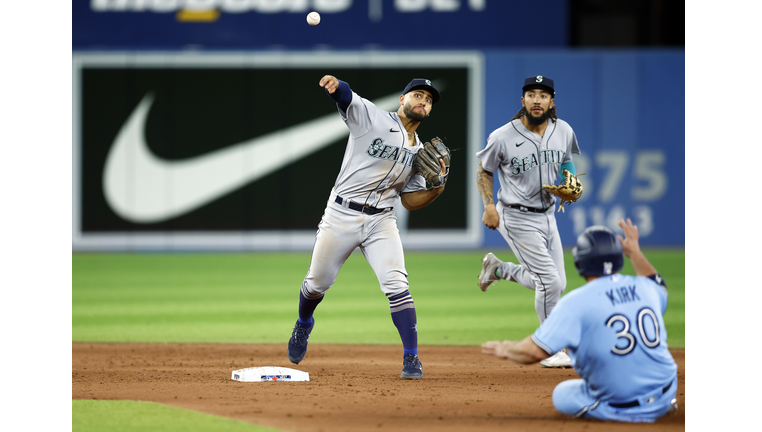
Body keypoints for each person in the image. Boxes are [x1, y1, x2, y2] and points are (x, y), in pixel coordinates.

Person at [287, 75, 448, 380]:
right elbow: (347, 98)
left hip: (381, 220)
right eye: (417, 95)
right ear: (402, 99)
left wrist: (436, 189)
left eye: (428, 100)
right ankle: (303, 324)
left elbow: (411, 201)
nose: (422, 101)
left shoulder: (418, 152)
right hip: (341, 215)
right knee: (317, 282)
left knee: (397, 285)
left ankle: (411, 357)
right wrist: (337, 85)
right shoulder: (373, 118)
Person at [482, 219, 679, 423]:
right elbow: (659, 284)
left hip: (622, 406)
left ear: (580, 262)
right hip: (666, 392)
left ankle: (626, 413)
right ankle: (662, 404)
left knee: (562, 394)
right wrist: (635, 253)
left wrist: (506, 349)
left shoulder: (576, 302)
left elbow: (534, 351)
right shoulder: (647, 289)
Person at [475, 75, 581, 368]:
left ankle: (499, 269)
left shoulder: (563, 130)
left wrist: (569, 181)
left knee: (557, 282)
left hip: (548, 216)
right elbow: (484, 171)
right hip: (515, 215)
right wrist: (488, 206)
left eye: (543, 95)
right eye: (532, 94)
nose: (537, 99)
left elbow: (565, 160)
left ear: (552, 101)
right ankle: (549, 347)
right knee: (550, 282)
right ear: (522, 101)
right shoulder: (502, 136)